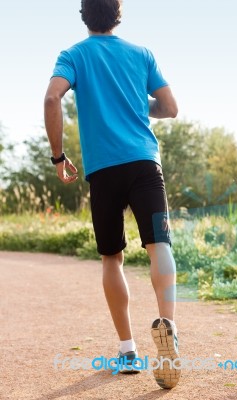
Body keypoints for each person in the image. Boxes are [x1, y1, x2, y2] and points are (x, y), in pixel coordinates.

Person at [44, 0, 180, 390]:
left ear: (85, 15)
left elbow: (52, 99)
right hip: (143, 163)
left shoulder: (74, 55)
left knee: (112, 257)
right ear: (118, 14)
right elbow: (170, 107)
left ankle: (127, 350)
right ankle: (168, 326)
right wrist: (139, 102)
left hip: (103, 170)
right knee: (159, 244)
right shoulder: (142, 54)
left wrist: (59, 157)